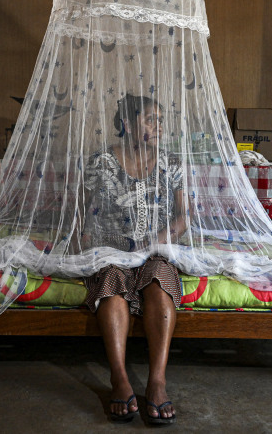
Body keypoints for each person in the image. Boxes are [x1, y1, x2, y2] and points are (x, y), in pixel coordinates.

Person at [77, 94, 185, 424]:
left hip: (155, 248)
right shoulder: (100, 163)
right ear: (127, 124)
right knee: (111, 280)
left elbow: (183, 217)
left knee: (158, 280)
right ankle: (119, 378)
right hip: (109, 247)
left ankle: (157, 381)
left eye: (161, 120)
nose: (160, 126)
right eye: (151, 119)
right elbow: (81, 213)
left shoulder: (171, 164)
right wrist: (87, 249)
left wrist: (156, 241)